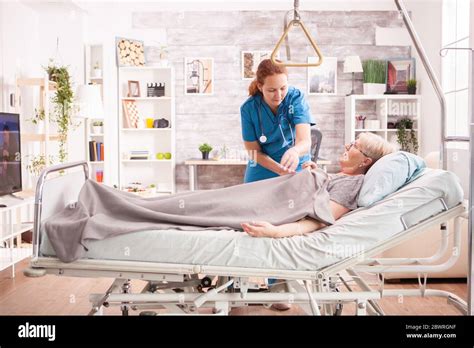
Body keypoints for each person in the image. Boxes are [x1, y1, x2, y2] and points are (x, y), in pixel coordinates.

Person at [241, 132, 395, 238]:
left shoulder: (352, 183)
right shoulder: (340, 176)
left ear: (365, 161)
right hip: (267, 197)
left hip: (272, 208)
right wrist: (317, 174)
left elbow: (320, 219)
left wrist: (275, 232)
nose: (347, 146)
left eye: (355, 146)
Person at [240, 59, 314, 183]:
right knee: (252, 199)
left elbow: (305, 141)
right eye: (272, 90)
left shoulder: (296, 98)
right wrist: (278, 169)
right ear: (260, 86)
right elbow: (253, 152)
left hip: (295, 161)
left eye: (283, 88)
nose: (278, 95)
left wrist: (295, 151)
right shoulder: (248, 108)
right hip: (263, 164)